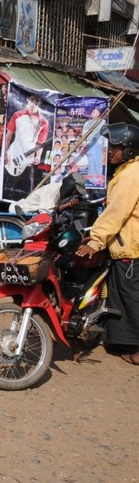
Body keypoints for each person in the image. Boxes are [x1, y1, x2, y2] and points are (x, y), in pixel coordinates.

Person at [75, 123, 139, 366]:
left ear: (130, 149)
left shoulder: (132, 174)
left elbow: (117, 212)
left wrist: (96, 241)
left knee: (132, 299)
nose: (111, 151)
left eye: (117, 147)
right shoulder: (127, 171)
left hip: (131, 249)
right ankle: (119, 340)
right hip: (127, 247)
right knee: (121, 296)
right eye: (110, 146)